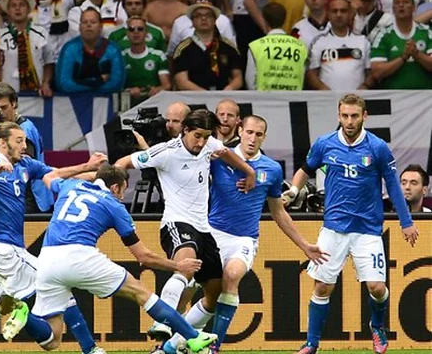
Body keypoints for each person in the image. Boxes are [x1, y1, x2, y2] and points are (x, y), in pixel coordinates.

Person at [160, 116, 328, 354]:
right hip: (211, 234)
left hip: (243, 239)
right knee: (194, 290)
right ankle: (168, 343)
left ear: (264, 137)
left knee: (232, 274)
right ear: (240, 131)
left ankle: (214, 346)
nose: (252, 138)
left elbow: (278, 211)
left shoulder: (271, 169)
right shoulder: (219, 156)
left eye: (258, 134)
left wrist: (304, 245)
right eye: (249, 132)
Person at [0, 122, 106, 354]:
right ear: (3, 143)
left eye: (24, 140)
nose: (24, 145)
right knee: (60, 284)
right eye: (19, 141)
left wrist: (87, 167)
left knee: (2, 307)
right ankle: (91, 349)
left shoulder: (24, 164)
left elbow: (53, 173)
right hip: (7, 252)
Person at [14, 164, 218, 353]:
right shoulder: (113, 205)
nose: (122, 197)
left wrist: (89, 170)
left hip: (47, 258)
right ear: (114, 188)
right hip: (79, 255)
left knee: (52, 339)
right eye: (122, 190)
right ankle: (192, 336)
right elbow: (143, 257)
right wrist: (177, 265)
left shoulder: (71, 185)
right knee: (140, 292)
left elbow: (50, 176)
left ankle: (25, 315)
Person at [281, 93, 419, 354]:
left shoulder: (377, 147)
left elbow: (392, 184)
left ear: (364, 116)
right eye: (344, 115)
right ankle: (312, 344)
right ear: (338, 116)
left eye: (354, 116)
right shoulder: (325, 144)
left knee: (377, 288)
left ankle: (377, 326)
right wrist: (293, 189)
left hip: (367, 230)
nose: (349, 121)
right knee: (322, 286)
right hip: (333, 227)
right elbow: (305, 168)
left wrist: (406, 222)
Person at [115, 109, 256, 341]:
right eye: (197, 136)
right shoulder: (165, 152)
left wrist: (248, 170)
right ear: (186, 130)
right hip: (176, 222)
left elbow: (224, 152)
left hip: (203, 228)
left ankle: (174, 341)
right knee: (185, 267)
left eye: (205, 136)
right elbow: (122, 163)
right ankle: (160, 321)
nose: (201, 142)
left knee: (214, 293)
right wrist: (113, 191)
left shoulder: (209, 143)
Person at [0, 82, 52, 212]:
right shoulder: (3, 129)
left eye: (4, 107)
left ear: (14, 104)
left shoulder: (24, 130)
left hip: (31, 197)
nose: (0, 113)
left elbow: (23, 166)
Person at [370, 0, 432, 89]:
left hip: (425, 101)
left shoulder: (427, 32)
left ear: (413, 8)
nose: (401, 5)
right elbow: (376, 72)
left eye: (405, 2)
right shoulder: (384, 35)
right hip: (394, 100)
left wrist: (417, 54)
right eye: (397, 2)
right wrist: (403, 58)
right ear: (393, 8)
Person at [307, 0, 374, 91]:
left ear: (350, 14)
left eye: (343, 11)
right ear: (328, 14)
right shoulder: (318, 42)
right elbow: (311, 73)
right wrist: (322, 88)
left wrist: (365, 86)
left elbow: (371, 73)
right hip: (328, 101)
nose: (339, 15)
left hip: (356, 101)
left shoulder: (363, 41)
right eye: (334, 11)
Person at [55, 7, 126, 94]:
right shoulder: (69, 49)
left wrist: (83, 83)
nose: (89, 25)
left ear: (101, 26)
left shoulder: (112, 49)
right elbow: (63, 84)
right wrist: (98, 81)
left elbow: (117, 84)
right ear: (79, 27)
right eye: (84, 22)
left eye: (93, 22)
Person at [246, 2, 308, 91]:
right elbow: (302, 77)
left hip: (264, 101)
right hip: (293, 100)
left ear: (264, 19)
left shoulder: (255, 46)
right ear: (284, 19)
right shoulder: (301, 46)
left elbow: (250, 82)